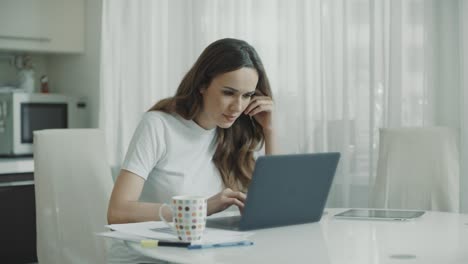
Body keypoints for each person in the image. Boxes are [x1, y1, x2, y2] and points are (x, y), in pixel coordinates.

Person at [106, 38, 276, 263]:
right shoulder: (159, 125)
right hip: (147, 257)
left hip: (202, 256)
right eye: (228, 93)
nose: (238, 107)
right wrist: (201, 208)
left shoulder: (231, 133)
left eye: (247, 96)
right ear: (202, 85)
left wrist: (270, 130)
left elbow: (273, 209)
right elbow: (118, 213)